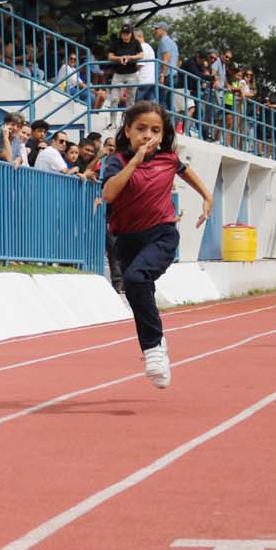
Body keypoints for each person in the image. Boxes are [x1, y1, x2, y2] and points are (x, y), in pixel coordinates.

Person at [100, 101, 213, 388]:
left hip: (161, 234)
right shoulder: (117, 161)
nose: (147, 135)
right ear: (128, 131)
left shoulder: (169, 159)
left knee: (135, 279)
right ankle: (157, 345)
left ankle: (152, 351)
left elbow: (185, 171)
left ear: (162, 135)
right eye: (140, 129)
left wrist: (207, 197)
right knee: (139, 293)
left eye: (155, 130)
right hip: (125, 239)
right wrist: (136, 160)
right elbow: (110, 194)